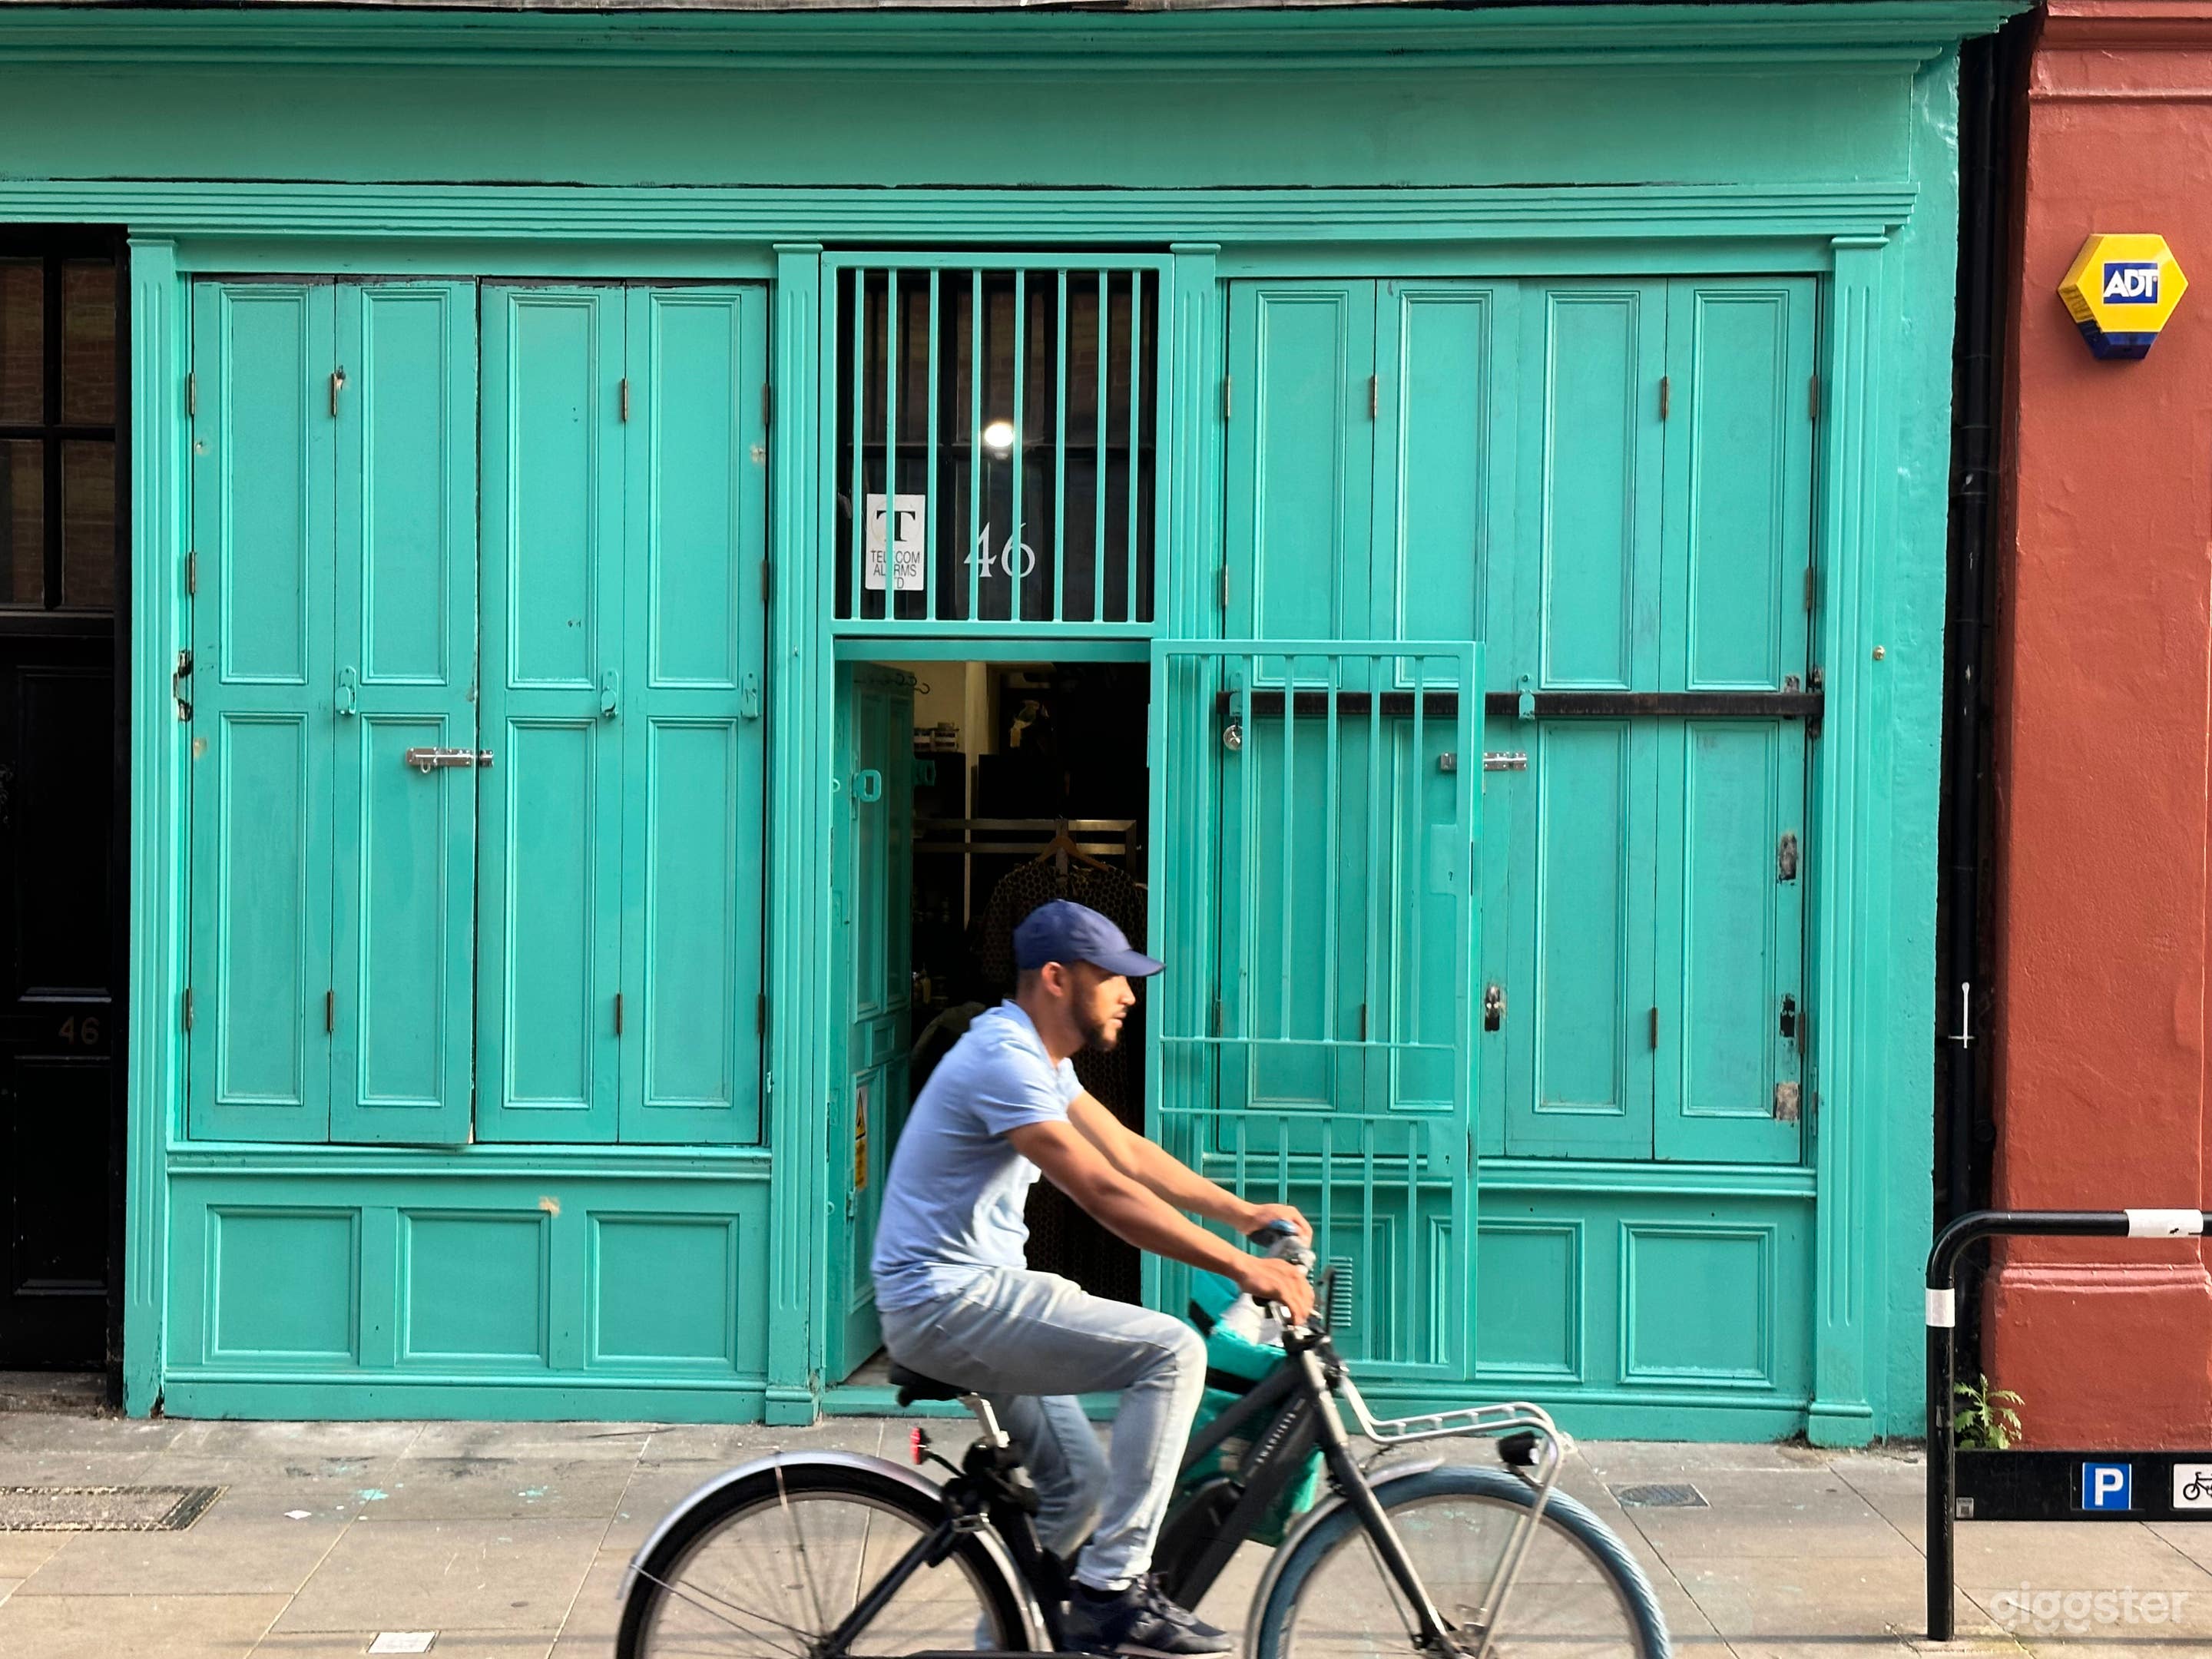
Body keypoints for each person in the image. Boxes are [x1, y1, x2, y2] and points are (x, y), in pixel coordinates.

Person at [873, 899, 1316, 1657]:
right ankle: (1112, 1592)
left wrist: (1242, 1213)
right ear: (1056, 978)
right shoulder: (1003, 1061)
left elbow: (1126, 1154)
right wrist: (1245, 1266)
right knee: (1172, 1353)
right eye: (1113, 978)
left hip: (968, 1296)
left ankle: (1017, 1639)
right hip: (950, 1300)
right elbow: (1102, 1193)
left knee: (1078, 1487)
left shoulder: (1038, 1057)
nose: (1129, 995)